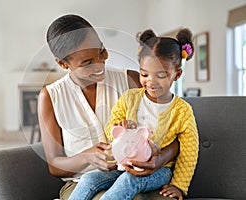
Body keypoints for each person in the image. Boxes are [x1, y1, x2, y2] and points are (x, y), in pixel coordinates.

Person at [38, 14, 180, 200]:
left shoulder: (133, 80)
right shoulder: (51, 97)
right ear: (63, 63)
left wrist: (159, 159)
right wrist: (87, 157)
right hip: (81, 185)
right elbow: (54, 165)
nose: (100, 63)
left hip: (136, 176)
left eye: (102, 51)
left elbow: (177, 131)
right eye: (87, 62)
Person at [69, 28, 199, 200]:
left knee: (129, 181)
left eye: (161, 75)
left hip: (161, 170)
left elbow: (189, 151)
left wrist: (179, 186)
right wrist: (120, 127)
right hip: (124, 163)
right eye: (145, 74)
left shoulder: (182, 111)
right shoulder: (130, 98)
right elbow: (111, 128)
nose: (151, 82)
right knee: (89, 178)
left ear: (177, 75)